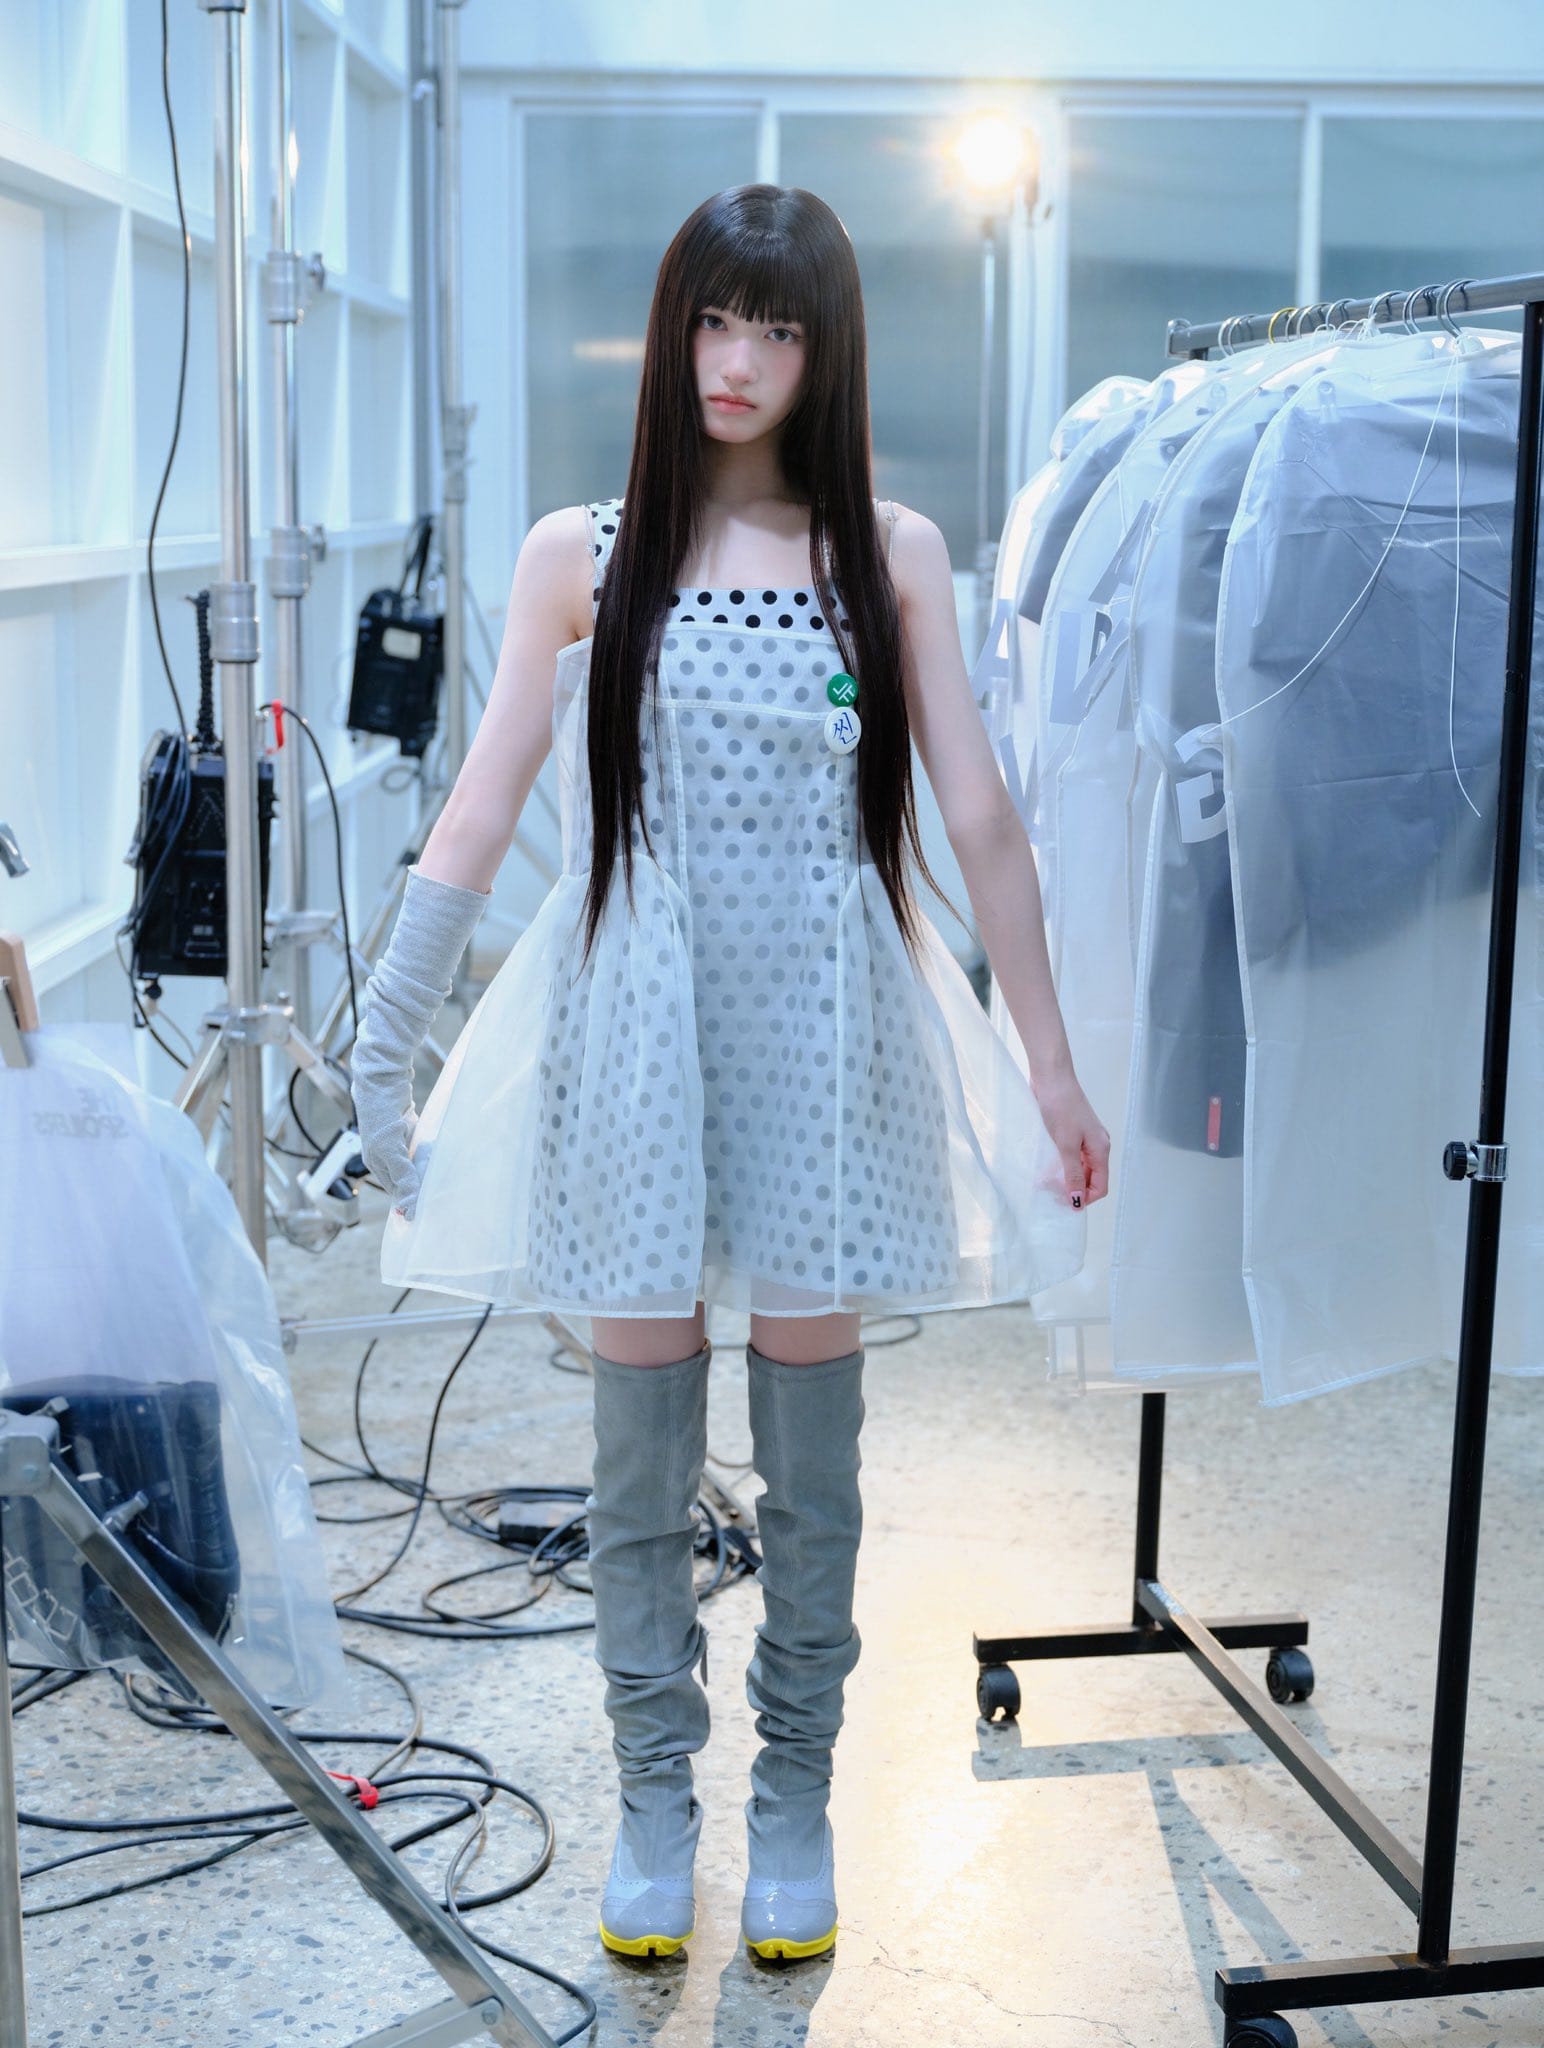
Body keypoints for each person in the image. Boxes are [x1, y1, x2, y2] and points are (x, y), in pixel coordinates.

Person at [350, 183, 1111, 1967]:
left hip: (826, 1032)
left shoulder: (887, 555)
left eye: (776, 329)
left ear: (825, 351)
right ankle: (651, 1797)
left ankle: (792, 1798)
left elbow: (981, 821)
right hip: (632, 1025)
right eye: (713, 319)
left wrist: (1052, 1069)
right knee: (636, 1461)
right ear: (672, 329)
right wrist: (386, 1041)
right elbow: (479, 804)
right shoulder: (581, 554)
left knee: (810, 1463)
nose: (738, 360)